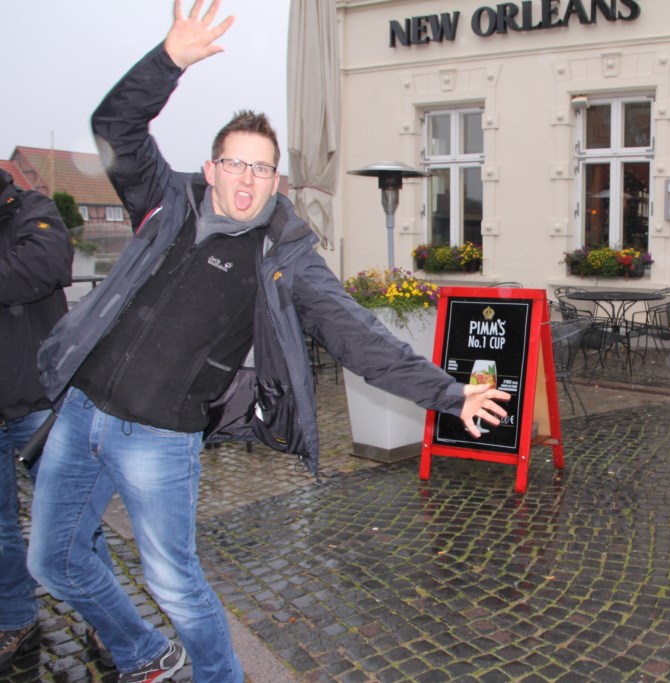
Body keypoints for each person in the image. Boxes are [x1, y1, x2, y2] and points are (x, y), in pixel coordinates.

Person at [26, 3, 510, 682]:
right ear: (211, 167)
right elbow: (115, 127)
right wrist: (169, 60)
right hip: (81, 414)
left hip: (158, 438)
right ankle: (142, 653)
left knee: (175, 584)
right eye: (236, 164)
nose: (248, 180)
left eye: (262, 169)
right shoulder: (165, 202)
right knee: (52, 561)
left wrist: (450, 393)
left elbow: (358, 335)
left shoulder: (283, 255)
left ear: (277, 180)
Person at [0, 169, 74, 672]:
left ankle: (106, 619)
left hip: (38, 400)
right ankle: (14, 618)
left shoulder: (32, 210)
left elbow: (43, 265)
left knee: (72, 519)